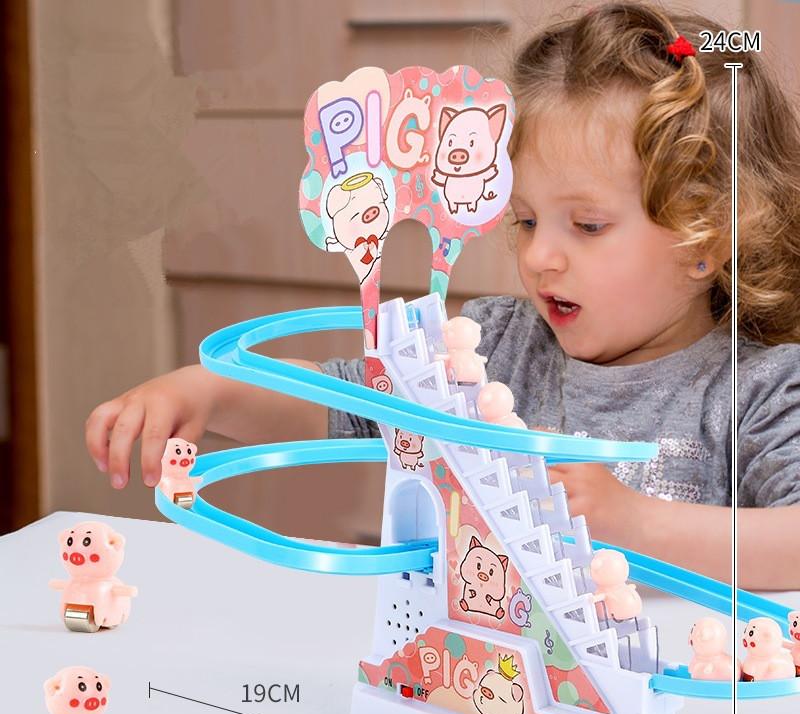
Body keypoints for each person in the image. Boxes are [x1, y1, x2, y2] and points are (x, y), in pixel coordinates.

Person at [85, 3, 800, 589]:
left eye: (587, 225)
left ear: (709, 236)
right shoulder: (493, 349)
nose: (539, 256)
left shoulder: (759, 391)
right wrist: (209, 390)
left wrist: (635, 523)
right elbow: (351, 410)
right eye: (526, 221)